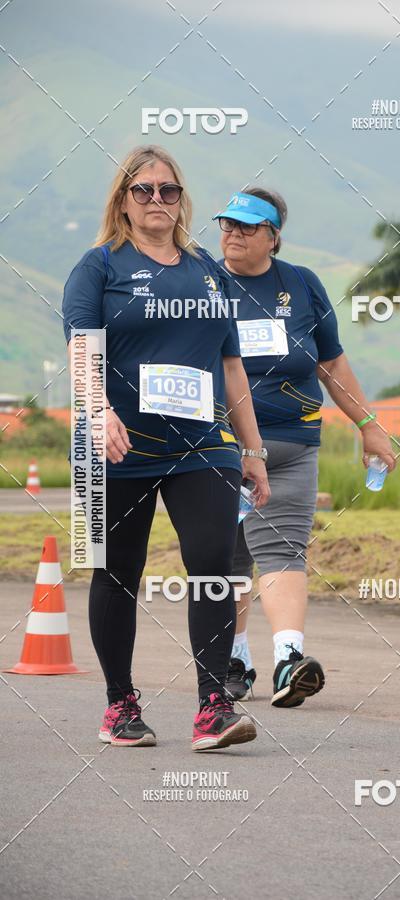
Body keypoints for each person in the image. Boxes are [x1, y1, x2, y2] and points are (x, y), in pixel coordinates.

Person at [62, 145, 270, 751]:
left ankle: (213, 707)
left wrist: (252, 450)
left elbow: (231, 366)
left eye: (169, 191)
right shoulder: (99, 266)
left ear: (183, 200)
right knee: (117, 572)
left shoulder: (207, 270)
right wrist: (98, 411)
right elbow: (81, 347)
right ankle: (119, 704)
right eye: (144, 190)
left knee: (213, 563)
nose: (157, 200)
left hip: (203, 445)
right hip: (118, 445)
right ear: (122, 202)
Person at [212, 188, 396, 706]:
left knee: (283, 549)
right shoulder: (202, 282)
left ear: (274, 236)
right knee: (227, 558)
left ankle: (289, 660)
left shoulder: (302, 284)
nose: (234, 235)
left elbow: (331, 363)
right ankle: (234, 659)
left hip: (293, 442)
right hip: (221, 446)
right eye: (227, 225)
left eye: (248, 228)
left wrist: (369, 425)